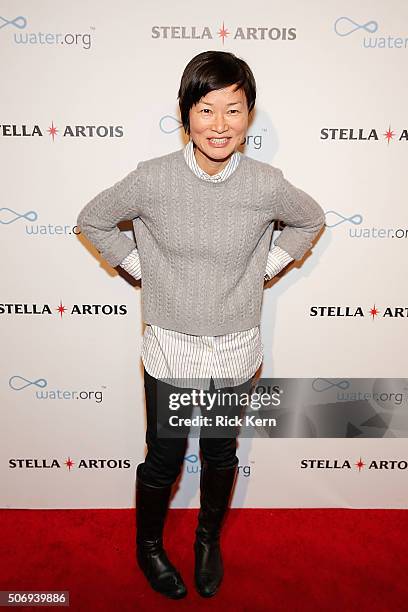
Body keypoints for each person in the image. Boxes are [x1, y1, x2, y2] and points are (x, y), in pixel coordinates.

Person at [76, 50, 326, 600]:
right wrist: (141, 269)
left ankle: (206, 539)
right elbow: (92, 218)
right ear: (186, 112)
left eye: (233, 110)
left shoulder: (266, 183)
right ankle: (148, 548)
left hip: (234, 348)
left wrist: (270, 264)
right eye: (207, 109)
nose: (220, 124)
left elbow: (311, 219)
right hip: (170, 348)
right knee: (164, 457)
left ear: (249, 114)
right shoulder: (153, 178)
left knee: (219, 453)